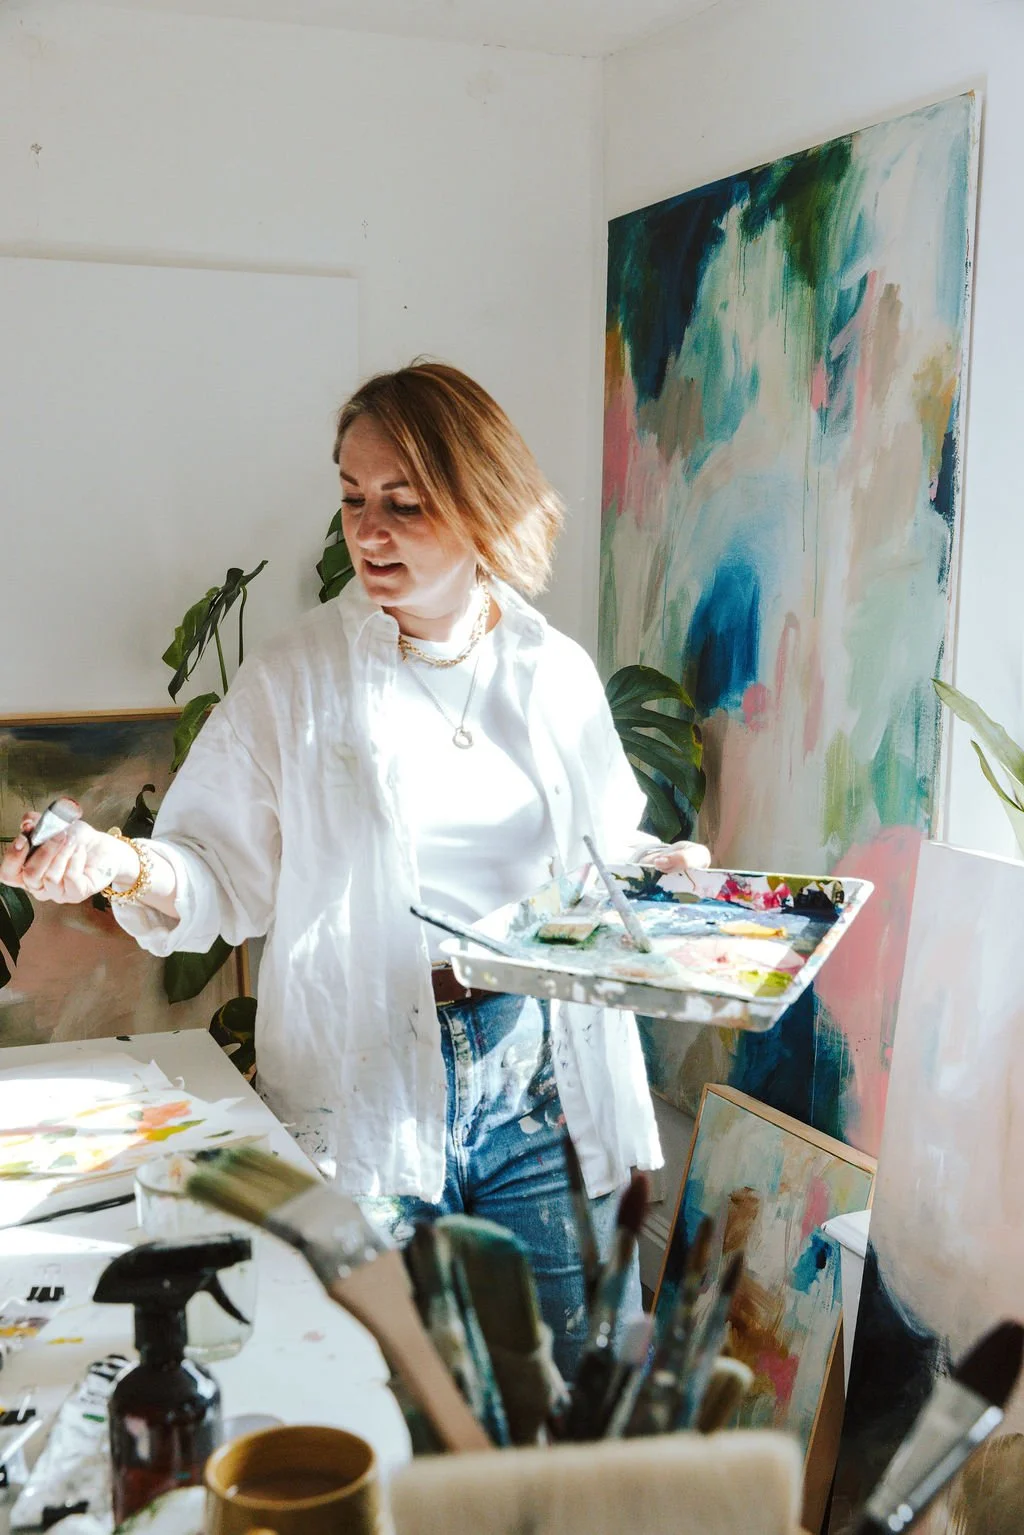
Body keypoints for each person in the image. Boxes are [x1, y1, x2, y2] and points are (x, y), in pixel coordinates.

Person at [0, 362, 710, 1376]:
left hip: (537, 1067)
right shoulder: (296, 676)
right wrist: (114, 864)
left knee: (576, 1380)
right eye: (351, 497)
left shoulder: (551, 671)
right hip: (369, 1070)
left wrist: (662, 867)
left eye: (402, 502)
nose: (366, 531)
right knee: (390, 1388)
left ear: (478, 506)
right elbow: (212, 876)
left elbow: (606, 854)